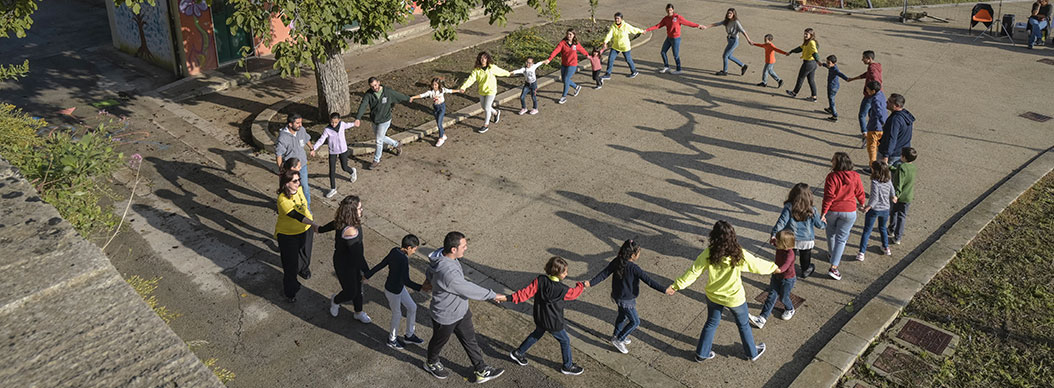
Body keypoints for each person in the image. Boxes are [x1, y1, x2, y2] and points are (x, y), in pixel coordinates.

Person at [666, 221, 780, 361]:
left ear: (714, 236)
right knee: (743, 324)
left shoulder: (709, 253)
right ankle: (752, 353)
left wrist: (676, 286)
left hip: (713, 296)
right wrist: (774, 268)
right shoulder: (738, 253)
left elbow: (693, 272)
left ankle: (702, 354)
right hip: (734, 298)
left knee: (711, 323)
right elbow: (756, 264)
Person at [422, 232, 506, 383]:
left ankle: (481, 369)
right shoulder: (447, 272)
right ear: (453, 249)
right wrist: (492, 295)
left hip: (461, 310)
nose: (466, 248)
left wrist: (428, 281)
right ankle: (431, 363)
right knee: (438, 342)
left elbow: (430, 271)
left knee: (470, 340)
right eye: (464, 246)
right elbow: (467, 288)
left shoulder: (443, 255)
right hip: (445, 315)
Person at [586, 239, 668, 354]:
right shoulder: (634, 268)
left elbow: (603, 274)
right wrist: (664, 290)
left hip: (618, 296)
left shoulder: (617, 261)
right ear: (633, 255)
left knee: (622, 317)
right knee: (635, 322)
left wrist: (591, 283)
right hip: (626, 300)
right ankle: (619, 339)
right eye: (638, 253)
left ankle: (616, 335)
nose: (639, 255)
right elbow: (649, 281)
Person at [509, 256, 587, 375]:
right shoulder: (562, 289)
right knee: (565, 340)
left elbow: (526, 293)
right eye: (564, 271)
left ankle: (518, 353)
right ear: (558, 273)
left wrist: (509, 298)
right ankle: (567, 366)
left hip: (540, 317)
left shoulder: (540, 280)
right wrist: (581, 285)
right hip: (553, 322)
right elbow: (574, 294)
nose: (566, 273)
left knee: (537, 334)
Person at [316, 195, 372, 323]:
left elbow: (333, 224)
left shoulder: (346, 221)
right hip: (344, 264)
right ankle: (335, 300)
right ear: (351, 212)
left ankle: (358, 312)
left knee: (358, 290)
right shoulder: (350, 231)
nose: (361, 210)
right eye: (359, 208)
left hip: (354, 262)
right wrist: (367, 272)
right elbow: (358, 255)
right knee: (351, 292)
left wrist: (320, 229)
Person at [365, 234, 426, 349]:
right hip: (393, 291)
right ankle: (392, 340)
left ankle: (409, 335)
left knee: (412, 307)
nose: (414, 252)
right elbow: (407, 281)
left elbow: (381, 264)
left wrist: (367, 275)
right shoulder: (403, 260)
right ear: (408, 247)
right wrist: (422, 288)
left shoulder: (394, 251)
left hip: (397, 287)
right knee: (397, 314)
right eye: (414, 249)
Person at [274, 167, 317, 303]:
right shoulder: (282, 199)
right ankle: (290, 291)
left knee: (306, 254)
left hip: (305, 229)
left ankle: (304, 269)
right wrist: (314, 224)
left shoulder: (299, 189)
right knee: (290, 265)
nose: (298, 183)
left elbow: (304, 206)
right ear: (286, 183)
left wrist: (310, 221)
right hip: (288, 235)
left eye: (299, 180)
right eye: (295, 181)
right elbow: (296, 215)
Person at [821, 152, 866, 280]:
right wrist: (862, 203)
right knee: (842, 239)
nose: (831, 161)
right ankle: (834, 267)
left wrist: (823, 212)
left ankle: (832, 254)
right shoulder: (855, 176)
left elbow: (829, 197)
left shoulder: (831, 177)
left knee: (830, 234)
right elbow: (860, 192)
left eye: (833, 160)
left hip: (833, 210)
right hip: (850, 211)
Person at [769, 183, 826, 279]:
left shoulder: (789, 207)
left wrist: (774, 234)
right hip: (807, 240)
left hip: (792, 238)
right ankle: (805, 270)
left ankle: (789, 269)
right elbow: (819, 225)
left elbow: (781, 222)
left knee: (790, 256)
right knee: (805, 257)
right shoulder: (812, 210)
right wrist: (824, 223)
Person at [354, 77, 410, 170]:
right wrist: (358, 118)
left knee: (378, 140)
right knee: (380, 137)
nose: (374, 88)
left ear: (379, 83)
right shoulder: (368, 94)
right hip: (375, 120)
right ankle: (396, 144)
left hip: (385, 120)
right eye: (372, 86)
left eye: (376, 85)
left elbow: (398, 95)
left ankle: (376, 160)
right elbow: (363, 105)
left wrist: (408, 98)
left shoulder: (387, 92)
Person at [749, 229, 798, 329]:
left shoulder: (790, 255)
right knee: (771, 296)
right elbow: (773, 241)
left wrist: (770, 269)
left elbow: (783, 268)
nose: (776, 242)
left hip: (787, 279)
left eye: (778, 241)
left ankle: (790, 308)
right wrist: (772, 238)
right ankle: (762, 319)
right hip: (776, 277)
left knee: (783, 298)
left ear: (784, 244)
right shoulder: (780, 246)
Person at [457, 52, 511, 134]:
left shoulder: (491, 67)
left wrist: (508, 73)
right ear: (479, 59)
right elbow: (471, 79)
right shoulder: (476, 70)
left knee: (486, 107)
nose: (483, 60)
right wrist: (463, 87)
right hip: (482, 91)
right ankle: (496, 112)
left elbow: (500, 71)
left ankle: (486, 125)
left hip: (491, 91)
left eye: (485, 58)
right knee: (483, 106)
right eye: (481, 58)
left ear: (487, 59)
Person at [644, 3, 703, 74]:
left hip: (676, 39)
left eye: (671, 10)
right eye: (668, 10)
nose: (669, 12)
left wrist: (698, 25)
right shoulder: (665, 19)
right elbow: (658, 26)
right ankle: (666, 66)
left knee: (676, 55)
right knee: (663, 52)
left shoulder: (678, 17)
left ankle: (679, 69)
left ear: (673, 10)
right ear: (666, 10)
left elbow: (688, 23)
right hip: (669, 38)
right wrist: (647, 30)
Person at [311, 113, 359, 199]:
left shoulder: (342, 125)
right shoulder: (327, 129)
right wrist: (314, 148)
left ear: (339, 120)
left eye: (336, 122)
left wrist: (354, 124)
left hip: (343, 150)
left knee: (344, 167)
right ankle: (333, 188)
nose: (334, 124)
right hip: (333, 151)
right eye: (332, 122)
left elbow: (349, 125)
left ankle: (352, 171)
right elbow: (321, 140)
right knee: (331, 171)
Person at [857, 161, 896, 261]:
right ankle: (886, 247)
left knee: (867, 231)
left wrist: (867, 208)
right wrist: (893, 197)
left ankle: (861, 252)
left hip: (874, 210)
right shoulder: (888, 180)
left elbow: (874, 198)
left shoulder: (875, 182)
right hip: (885, 209)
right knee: (882, 228)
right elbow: (892, 191)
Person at [275, 114, 315, 205]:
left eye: (301, 122)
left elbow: (306, 138)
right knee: (288, 188)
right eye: (297, 123)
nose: (300, 125)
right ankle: (285, 205)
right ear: (290, 124)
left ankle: (307, 207)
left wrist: (311, 148)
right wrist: (281, 170)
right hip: (291, 168)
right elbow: (279, 155)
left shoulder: (301, 130)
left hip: (302, 165)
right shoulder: (283, 138)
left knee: (305, 187)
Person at [705, 8, 754, 76]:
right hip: (730, 40)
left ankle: (725, 72)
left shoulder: (736, 22)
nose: (728, 14)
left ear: (733, 14)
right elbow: (716, 24)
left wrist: (748, 40)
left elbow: (743, 31)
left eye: (730, 13)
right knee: (729, 56)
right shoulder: (726, 21)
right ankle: (743, 66)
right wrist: (706, 27)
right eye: (728, 13)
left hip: (734, 41)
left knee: (725, 55)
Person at [846, 51, 883, 141]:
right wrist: (853, 79)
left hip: (870, 96)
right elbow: (866, 75)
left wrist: (872, 90)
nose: (862, 60)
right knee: (871, 114)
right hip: (876, 95)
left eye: (864, 58)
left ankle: (865, 134)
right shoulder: (876, 66)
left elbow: (875, 79)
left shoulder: (872, 69)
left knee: (862, 115)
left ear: (869, 59)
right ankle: (873, 132)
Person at [546, 28, 589, 104]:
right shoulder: (562, 43)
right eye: (567, 34)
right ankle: (576, 87)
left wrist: (587, 55)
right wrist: (549, 59)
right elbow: (556, 51)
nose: (568, 36)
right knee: (564, 80)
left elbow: (582, 49)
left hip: (572, 65)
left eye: (570, 34)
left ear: (574, 35)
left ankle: (564, 97)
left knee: (566, 79)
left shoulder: (576, 44)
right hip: (564, 64)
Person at [409, 78, 454, 147]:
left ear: (439, 85)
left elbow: (450, 91)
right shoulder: (430, 92)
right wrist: (413, 97)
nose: (434, 86)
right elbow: (422, 95)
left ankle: (441, 138)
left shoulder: (442, 90)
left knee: (439, 123)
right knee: (438, 123)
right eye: (433, 85)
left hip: (442, 107)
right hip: (435, 108)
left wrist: (459, 90)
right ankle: (443, 134)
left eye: (435, 85)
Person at [602, 12, 645, 79]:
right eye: (615, 18)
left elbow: (633, 29)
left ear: (621, 19)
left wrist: (641, 31)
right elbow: (609, 35)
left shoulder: (626, 26)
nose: (616, 20)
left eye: (618, 18)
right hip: (616, 46)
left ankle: (634, 71)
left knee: (628, 59)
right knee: (611, 59)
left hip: (625, 47)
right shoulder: (613, 26)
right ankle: (608, 74)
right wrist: (605, 42)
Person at [888, 147, 917, 245]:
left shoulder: (901, 167)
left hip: (900, 196)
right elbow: (900, 172)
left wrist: (896, 195)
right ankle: (898, 237)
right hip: (908, 196)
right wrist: (890, 168)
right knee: (902, 216)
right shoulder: (913, 167)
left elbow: (899, 183)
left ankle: (891, 229)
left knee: (893, 212)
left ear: (904, 157)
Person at [877, 93, 914, 165]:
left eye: (890, 101)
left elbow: (891, 138)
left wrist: (885, 156)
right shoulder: (906, 116)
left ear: (897, 106)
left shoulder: (895, 120)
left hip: (892, 154)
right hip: (901, 152)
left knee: (883, 174)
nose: (886, 102)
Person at [784, 28, 820, 101]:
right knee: (811, 80)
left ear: (811, 35)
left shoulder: (811, 43)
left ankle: (794, 92)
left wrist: (818, 61)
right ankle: (814, 97)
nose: (805, 35)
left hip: (808, 63)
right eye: (804, 33)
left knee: (800, 78)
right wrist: (791, 52)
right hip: (812, 64)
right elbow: (800, 48)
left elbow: (814, 52)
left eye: (807, 34)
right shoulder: (808, 42)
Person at [863, 81, 888, 165]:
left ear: (873, 91)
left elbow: (878, 111)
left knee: (872, 147)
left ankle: (873, 166)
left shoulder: (875, 99)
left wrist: (882, 122)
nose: (867, 91)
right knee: (879, 147)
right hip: (881, 128)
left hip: (875, 127)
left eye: (868, 90)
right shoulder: (881, 94)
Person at [821, 55, 849, 122]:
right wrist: (822, 64)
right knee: (831, 98)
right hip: (834, 86)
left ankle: (834, 116)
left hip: (832, 87)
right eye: (827, 62)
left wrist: (847, 79)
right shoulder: (831, 66)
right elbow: (828, 67)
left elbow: (840, 74)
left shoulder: (835, 69)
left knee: (831, 100)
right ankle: (830, 109)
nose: (827, 64)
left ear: (834, 63)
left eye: (828, 63)